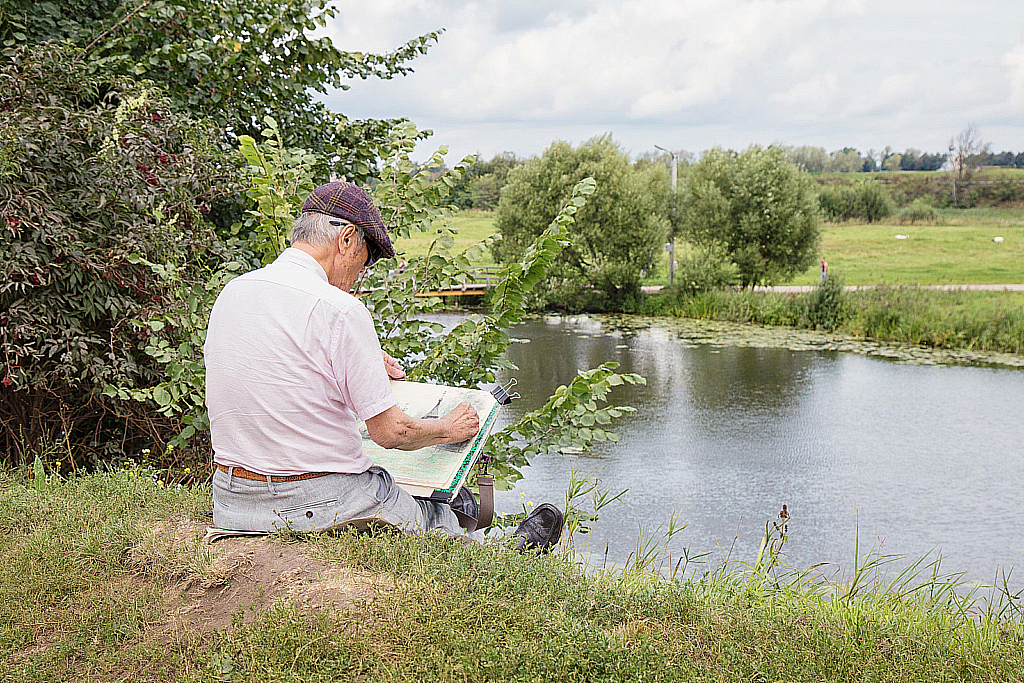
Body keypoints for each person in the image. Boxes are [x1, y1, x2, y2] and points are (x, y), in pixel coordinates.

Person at [204, 181, 563, 551]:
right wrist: (446, 427)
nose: (360, 276)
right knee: (434, 519)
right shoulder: (340, 310)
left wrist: (359, 358)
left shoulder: (234, 292)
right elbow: (393, 434)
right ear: (347, 239)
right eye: (364, 261)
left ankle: (465, 514)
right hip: (313, 501)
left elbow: (274, 355)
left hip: (233, 501)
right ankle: (508, 557)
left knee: (422, 497)